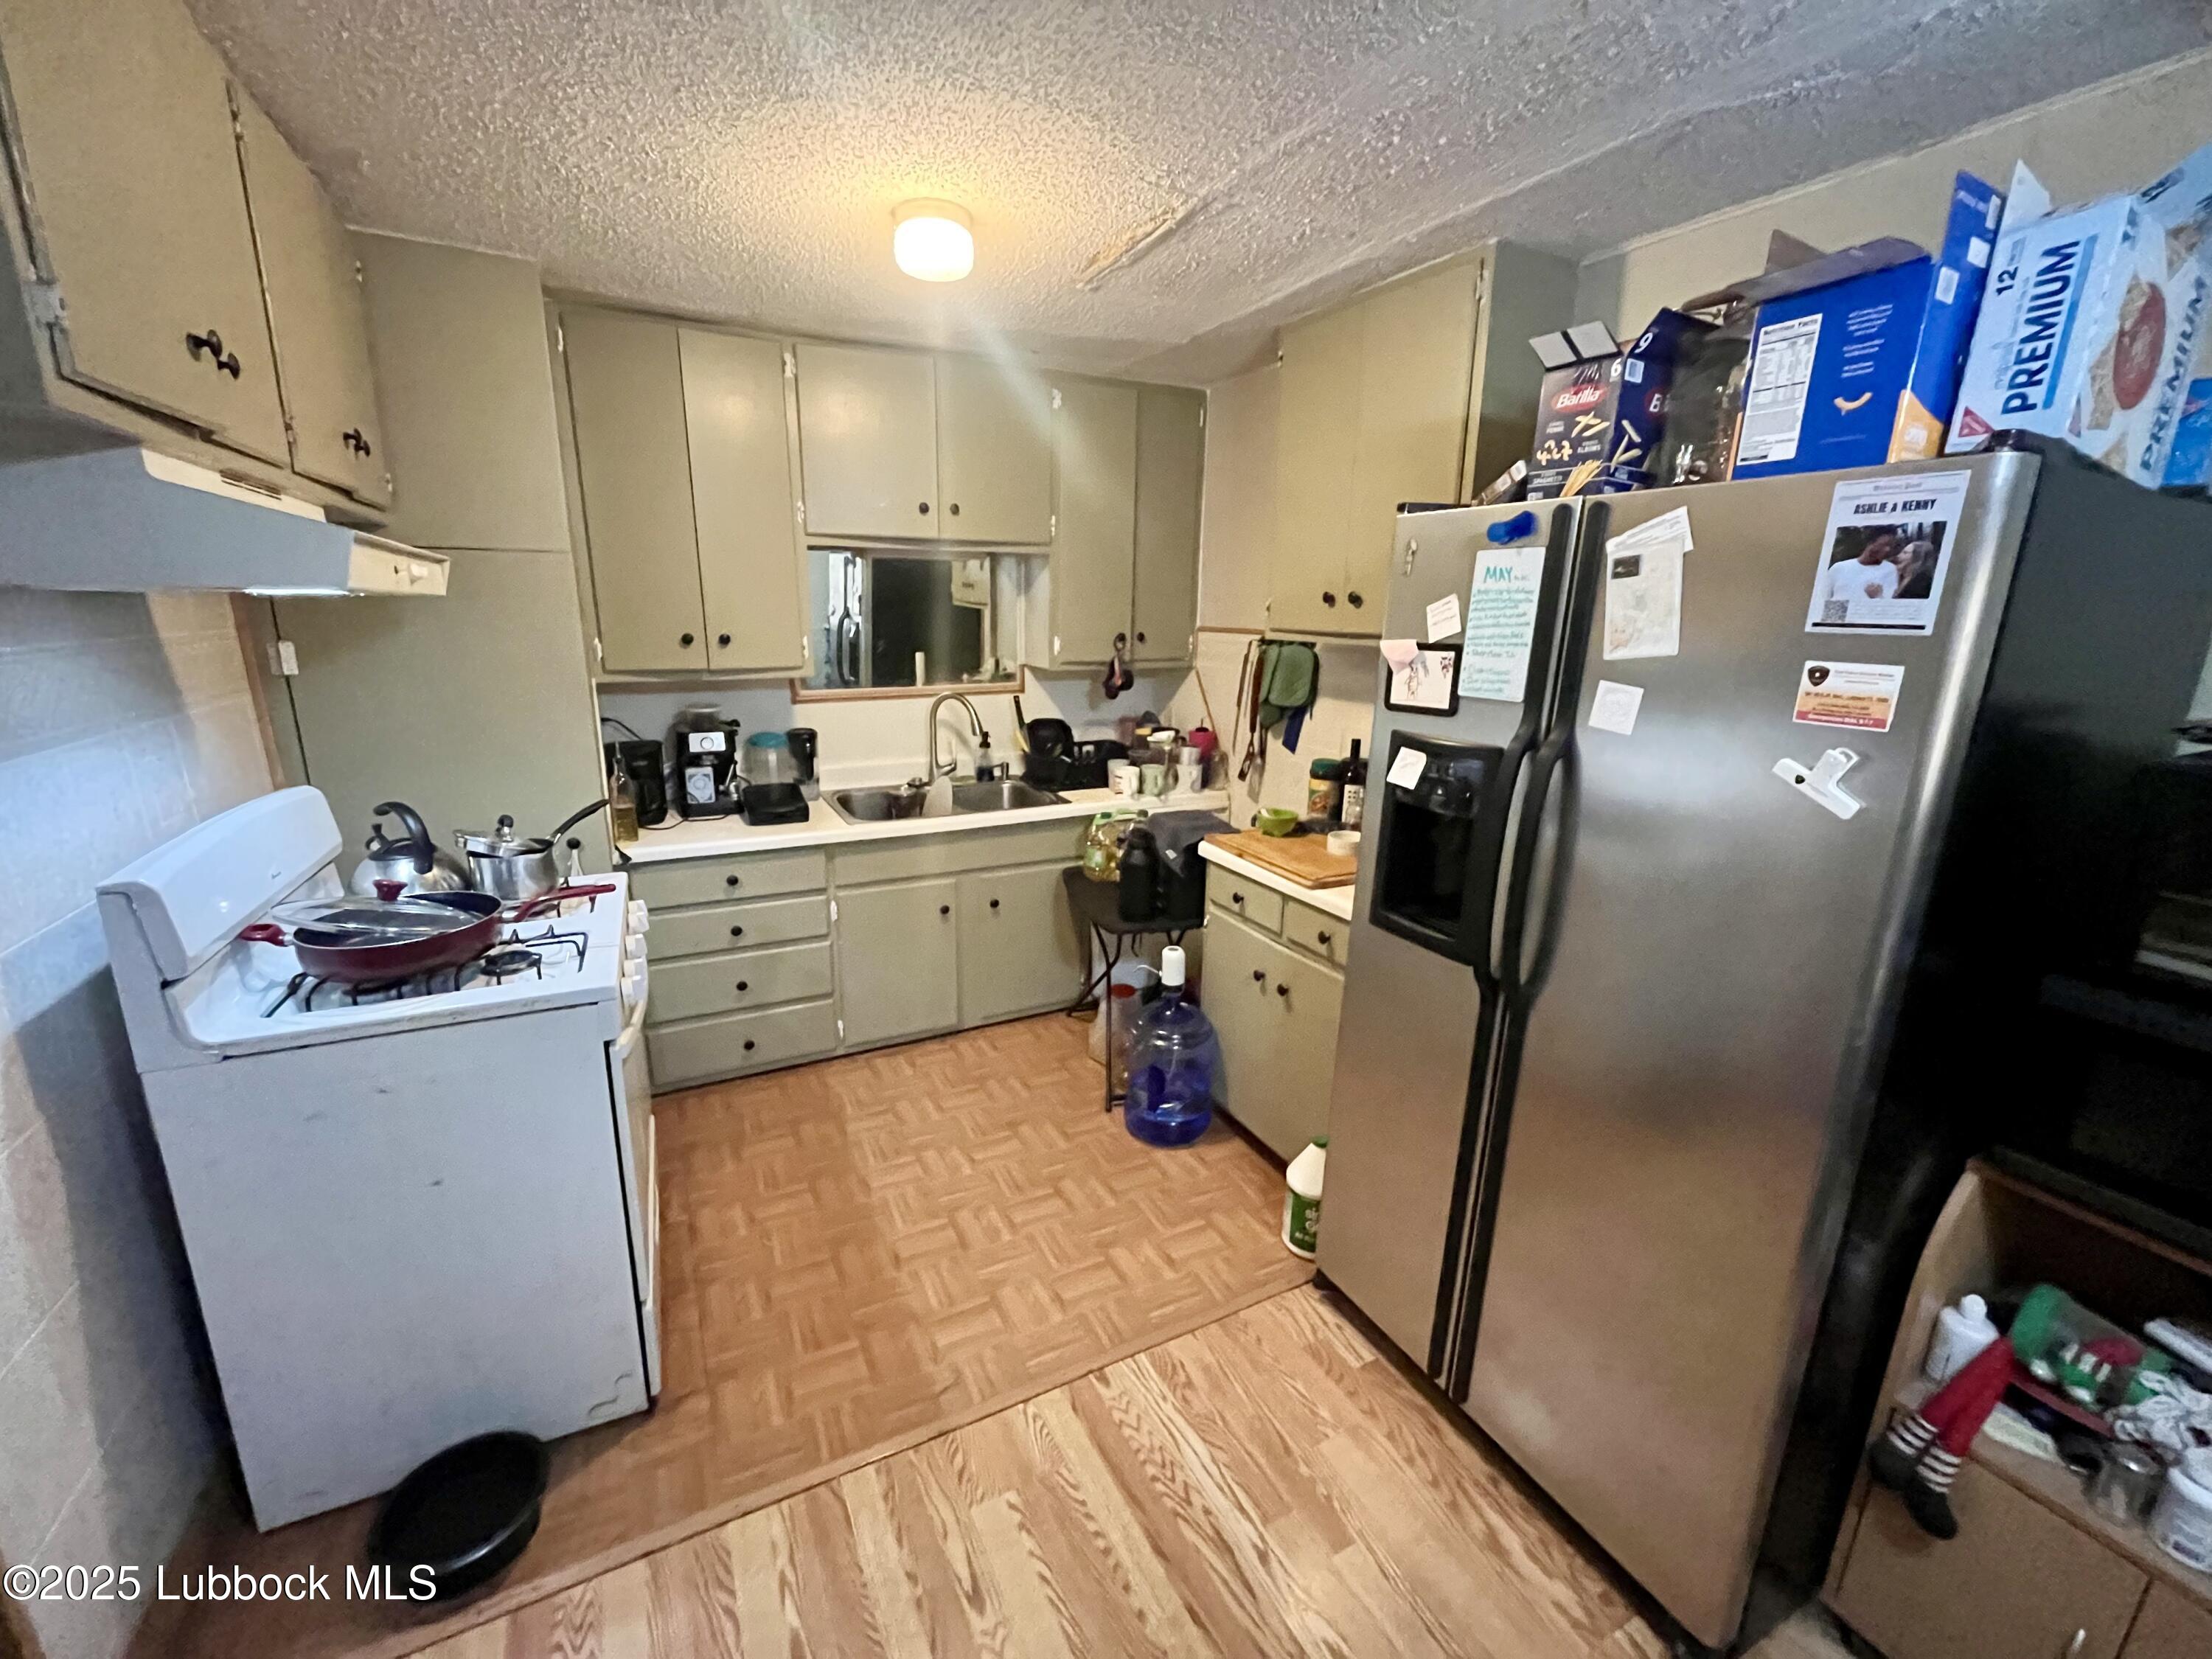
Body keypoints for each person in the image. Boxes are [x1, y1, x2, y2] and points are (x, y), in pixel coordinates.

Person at [1826, 533, 1901, 606]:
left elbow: (1888, 605)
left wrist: (1877, 597)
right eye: (1885, 544)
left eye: (1891, 546)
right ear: (1870, 543)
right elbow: (1823, 598)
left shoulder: (1890, 569)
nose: (1887, 549)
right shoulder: (1839, 567)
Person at [1896, 537, 1939, 601]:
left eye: (1905, 553)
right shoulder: (1899, 577)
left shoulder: (1922, 582)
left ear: (1918, 558)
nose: (1899, 556)